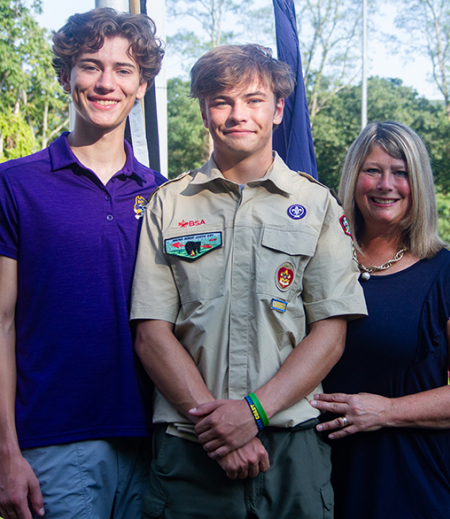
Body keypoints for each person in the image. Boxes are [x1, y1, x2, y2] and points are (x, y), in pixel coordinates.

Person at [129, 44, 367, 519]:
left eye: (254, 99)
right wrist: (220, 428)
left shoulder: (318, 205)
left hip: (291, 445)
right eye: (222, 100)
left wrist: (253, 412)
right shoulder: (168, 205)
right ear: (204, 110)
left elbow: (330, 331)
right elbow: (152, 333)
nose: (238, 114)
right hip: (189, 448)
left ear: (278, 110)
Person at [0, 8, 165, 519]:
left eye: (124, 70)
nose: (106, 83)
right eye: (90, 65)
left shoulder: (166, 194)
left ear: (142, 85)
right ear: (65, 75)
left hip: (157, 443)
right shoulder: (14, 184)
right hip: (55, 444)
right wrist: (3, 453)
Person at [308, 121, 450, 519]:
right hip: (313, 473)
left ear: (420, 184)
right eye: (372, 170)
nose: (385, 184)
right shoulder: (316, 262)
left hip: (407, 480)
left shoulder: (449, 277)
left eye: (401, 172)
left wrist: (385, 412)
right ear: (353, 178)